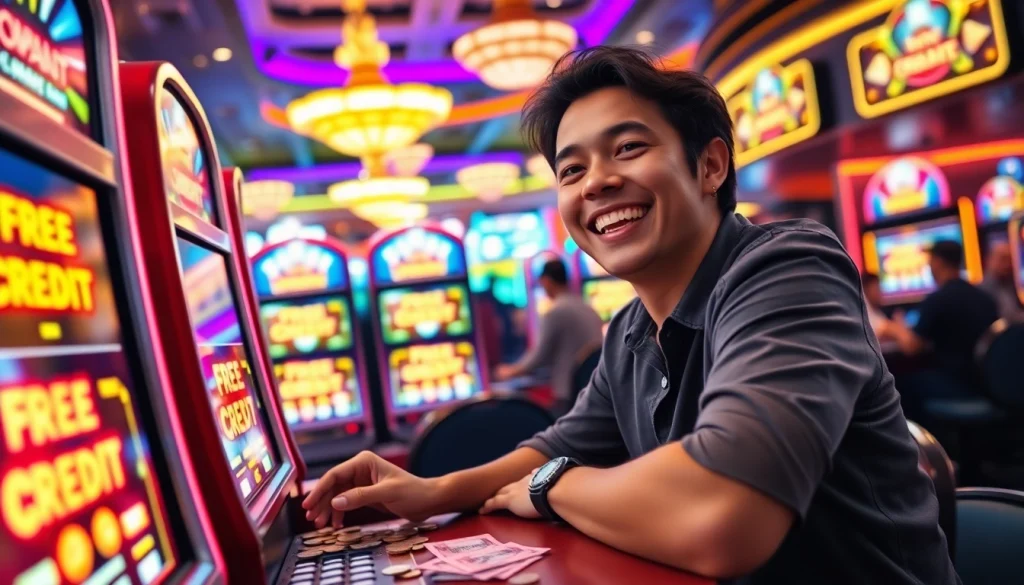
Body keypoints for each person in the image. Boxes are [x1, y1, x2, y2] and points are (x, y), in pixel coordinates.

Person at [302, 47, 957, 584]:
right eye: (572, 168)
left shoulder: (788, 268)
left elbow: (724, 517)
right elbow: (559, 444)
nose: (596, 183)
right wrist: (434, 490)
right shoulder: (630, 328)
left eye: (627, 149)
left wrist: (551, 485)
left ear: (709, 164)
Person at [886, 240, 999, 413]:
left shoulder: (938, 300)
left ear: (937, 262)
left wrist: (896, 327)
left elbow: (911, 348)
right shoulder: (984, 297)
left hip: (958, 384)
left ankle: (920, 439)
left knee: (898, 383)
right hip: (988, 384)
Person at [493, 258, 604, 411]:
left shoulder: (556, 312)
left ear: (546, 281)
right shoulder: (588, 308)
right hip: (597, 388)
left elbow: (540, 356)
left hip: (569, 392)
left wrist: (511, 371)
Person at [979, 240, 1024, 323]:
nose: (1007, 264)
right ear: (989, 260)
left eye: (1010, 260)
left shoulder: (1013, 285)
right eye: (1003, 259)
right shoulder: (982, 291)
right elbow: (1007, 317)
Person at [861, 271, 892, 339]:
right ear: (866, 290)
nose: (880, 292)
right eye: (877, 288)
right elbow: (882, 328)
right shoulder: (862, 310)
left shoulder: (877, 311)